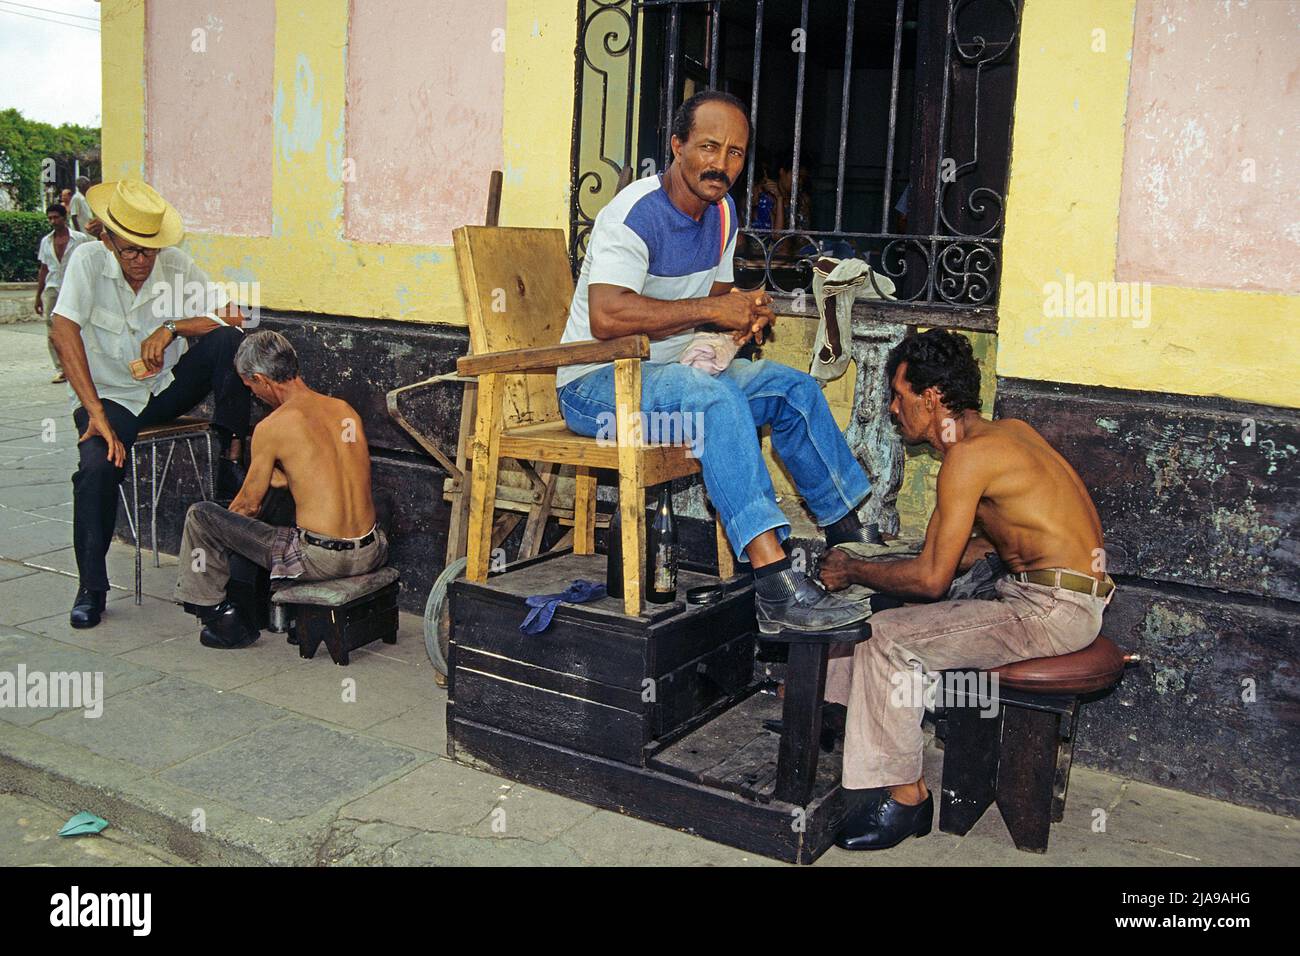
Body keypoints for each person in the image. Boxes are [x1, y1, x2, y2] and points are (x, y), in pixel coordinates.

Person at [556, 90, 876, 633]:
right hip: (598, 387)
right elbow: (607, 315)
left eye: (734, 153)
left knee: (792, 389)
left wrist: (744, 310)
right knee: (714, 399)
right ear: (677, 146)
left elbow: (716, 302)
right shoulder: (633, 214)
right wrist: (713, 308)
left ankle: (854, 547)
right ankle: (775, 585)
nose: (721, 164)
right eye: (708, 147)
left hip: (673, 374)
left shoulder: (723, 213)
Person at [816, 329, 1114, 850]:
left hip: (1053, 609)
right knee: (874, 603)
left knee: (885, 636)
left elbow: (931, 580)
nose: (891, 409)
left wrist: (854, 570)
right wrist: (879, 567)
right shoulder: (1004, 434)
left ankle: (907, 799)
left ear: (931, 398)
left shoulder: (968, 457)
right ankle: (833, 725)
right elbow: (975, 546)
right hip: (1054, 594)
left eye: (898, 395)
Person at [48, 180, 251, 629]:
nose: (140, 261)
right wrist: (95, 414)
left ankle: (231, 452)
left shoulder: (176, 265)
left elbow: (237, 314)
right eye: (129, 251)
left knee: (227, 339)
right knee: (97, 469)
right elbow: (63, 330)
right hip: (110, 400)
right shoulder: (86, 260)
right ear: (108, 238)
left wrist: (174, 328)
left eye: (149, 251)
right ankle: (92, 588)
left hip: (165, 390)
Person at [174, 331, 387, 649]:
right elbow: (338, 473)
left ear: (260, 379)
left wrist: (226, 532)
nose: (256, 396)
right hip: (372, 551)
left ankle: (219, 615)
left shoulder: (273, 427)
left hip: (320, 561)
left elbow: (247, 507)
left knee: (202, 516)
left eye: (251, 388)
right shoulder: (344, 411)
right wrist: (287, 480)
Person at [34, 203, 94, 383]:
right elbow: (44, 269)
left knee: (80, 327)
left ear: (64, 217)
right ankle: (61, 368)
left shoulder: (80, 239)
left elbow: (90, 263)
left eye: (56, 217)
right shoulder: (46, 241)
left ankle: (83, 365)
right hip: (53, 289)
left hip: (76, 288)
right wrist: (38, 296)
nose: (53, 221)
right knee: (53, 330)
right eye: (50, 218)